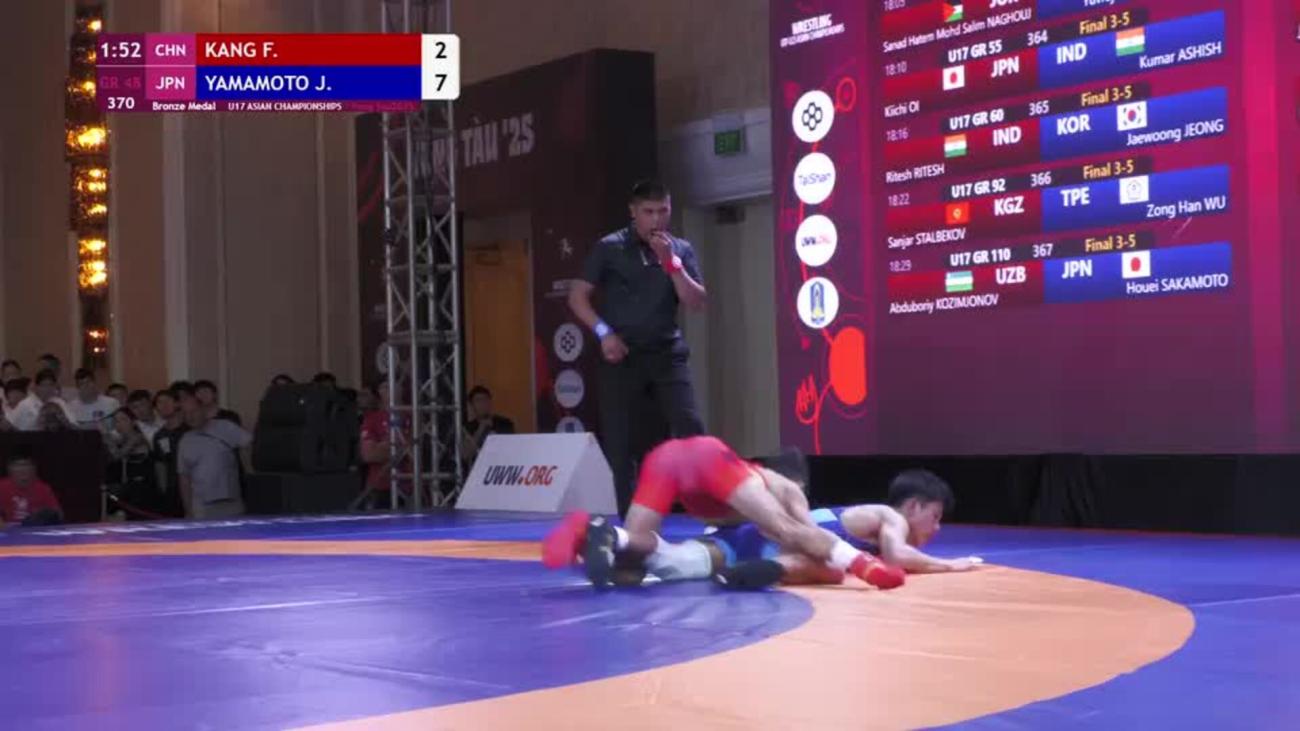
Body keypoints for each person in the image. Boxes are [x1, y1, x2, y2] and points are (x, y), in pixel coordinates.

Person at [543, 436, 906, 590]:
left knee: (629, 565)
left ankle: (602, 532)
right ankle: (869, 569)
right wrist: (861, 564)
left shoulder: (755, 487)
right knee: (788, 531)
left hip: (665, 459)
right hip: (707, 460)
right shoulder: (787, 489)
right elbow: (807, 540)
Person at [568, 180, 708, 513]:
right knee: (621, 443)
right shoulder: (610, 248)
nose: (656, 219)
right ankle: (631, 524)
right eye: (648, 212)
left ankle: (710, 508)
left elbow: (697, 302)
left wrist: (671, 263)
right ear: (633, 212)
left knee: (691, 428)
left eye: (663, 211)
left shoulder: (681, 249)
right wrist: (604, 333)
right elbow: (577, 297)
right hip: (623, 355)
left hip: (666, 353)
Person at [630, 470, 983, 587]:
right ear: (913, 506)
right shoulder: (892, 517)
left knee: (675, 562)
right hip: (779, 540)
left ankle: (619, 542)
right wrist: (949, 565)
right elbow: (897, 556)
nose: (937, 528)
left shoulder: (872, 521)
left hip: (762, 539)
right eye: (935, 516)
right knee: (832, 569)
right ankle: (754, 571)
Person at [177, 392, 251, 519]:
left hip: (230, 504)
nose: (190, 417)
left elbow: (249, 445)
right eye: (185, 413)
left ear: (203, 409)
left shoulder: (225, 427)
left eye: (193, 411)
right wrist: (188, 510)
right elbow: (184, 477)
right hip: (201, 507)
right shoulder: (185, 440)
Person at [0, 448, 63, 527]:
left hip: (33, 529)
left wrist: (44, 516)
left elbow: (58, 514)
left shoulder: (43, 489)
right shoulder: (1, 487)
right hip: (7, 529)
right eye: (17, 466)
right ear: (9, 469)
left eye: (27, 465)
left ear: (34, 469)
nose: (22, 470)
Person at [461, 385, 515, 467]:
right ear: (472, 405)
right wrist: (481, 429)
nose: (482, 404)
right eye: (478, 401)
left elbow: (512, 449)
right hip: (478, 469)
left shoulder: (505, 423)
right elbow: (465, 455)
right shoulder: (467, 428)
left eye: (485, 400)